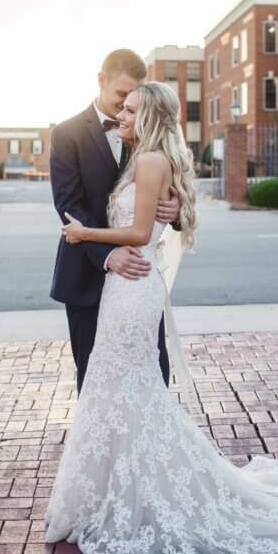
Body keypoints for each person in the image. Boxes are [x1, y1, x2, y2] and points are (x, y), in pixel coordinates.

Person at [44, 82, 278, 554]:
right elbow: (80, 198)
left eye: (132, 109)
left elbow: (143, 226)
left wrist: (89, 233)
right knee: (106, 384)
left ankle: (148, 495)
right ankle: (109, 492)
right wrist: (104, 241)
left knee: (133, 387)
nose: (122, 114)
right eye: (122, 104)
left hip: (133, 286)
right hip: (108, 284)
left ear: (150, 117)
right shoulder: (88, 139)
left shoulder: (151, 157)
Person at [49, 49, 180, 393]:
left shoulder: (149, 137)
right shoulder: (67, 133)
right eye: (122, 96)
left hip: (136, 281)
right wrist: (108, 255)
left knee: (152, 370)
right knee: (94, 379)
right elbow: (68, 205)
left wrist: (175, 209)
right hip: (86, 275)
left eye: (134, 99)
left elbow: (175, 188)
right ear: (101, 81)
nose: (126, 107)